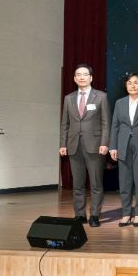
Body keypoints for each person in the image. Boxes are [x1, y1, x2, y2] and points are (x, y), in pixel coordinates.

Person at [59, 64, 111, 227]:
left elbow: (106, 123)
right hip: (74, 145)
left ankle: (94, 215)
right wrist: (63, 144)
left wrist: (105, 143)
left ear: (91, 78)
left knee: (96, 183)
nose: (82, 77)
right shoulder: (69, 98)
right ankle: (80, 214)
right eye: (78, 74)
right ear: (75, 78)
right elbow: (65, 124)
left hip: (95, 145)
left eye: (85, 74)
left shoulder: (101, 96)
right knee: (78, 184)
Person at [109, 73, 138, 228]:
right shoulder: (119, 103)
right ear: (126, 85)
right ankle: (126, 214)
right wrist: (113, 146)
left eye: (136, 82)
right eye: (129, 82)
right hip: (123, 145)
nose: (133, 85)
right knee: (124, 182)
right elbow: (115, 126)